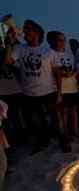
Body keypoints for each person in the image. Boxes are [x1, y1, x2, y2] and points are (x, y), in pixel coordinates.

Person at [4, 20, 59, 154]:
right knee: (35, 120)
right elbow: (7, 61)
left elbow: (56, 73)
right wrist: (10, 43)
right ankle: (41, 141)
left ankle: (56, 138)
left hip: (48, 91)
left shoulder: (48, 51)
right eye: (25, 29)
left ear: (37, 33)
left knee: (53, 117)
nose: (25, 32)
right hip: (28, 93)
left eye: (28, 30)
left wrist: (60, 93)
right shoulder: (20, 48)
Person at [47, 31, 79, 152]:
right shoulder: (51, 55)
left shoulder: (69, 55)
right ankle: (65, 134)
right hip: (60, 89)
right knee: (63, 113)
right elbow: (50, 70)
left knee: (74, 110)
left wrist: (73, 73)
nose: (62, 43)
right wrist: (62, 74)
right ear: (53, 41)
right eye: (60, 40)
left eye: (63, 40)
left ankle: (75, 131)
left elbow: (76, 68)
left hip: (73, 87)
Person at [0, 32, 23, 145]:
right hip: (4, 92)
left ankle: (20, 137)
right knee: (8, 118)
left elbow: (16, 63)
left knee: (17, 116)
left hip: (15, 89)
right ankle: (14, 139)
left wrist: (11, 42)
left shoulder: (8, 53)